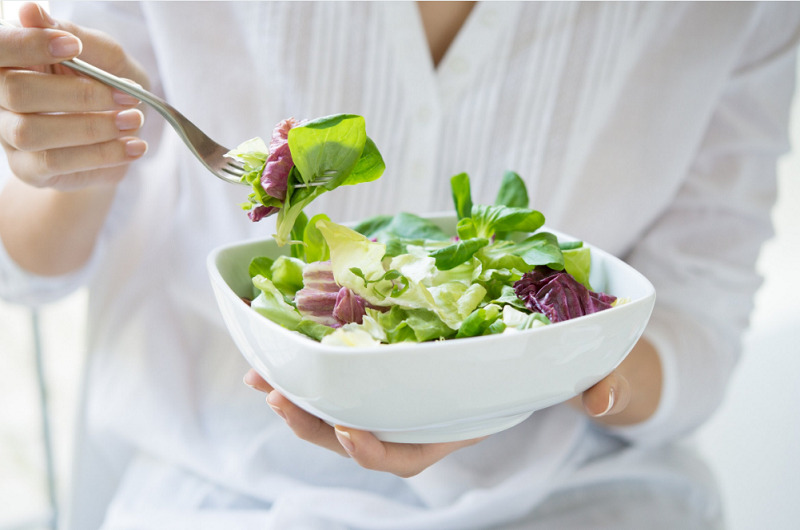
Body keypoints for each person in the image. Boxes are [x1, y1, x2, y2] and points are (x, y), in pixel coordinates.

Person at [0, 2, 798, 528]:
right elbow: (32, 270)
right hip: (227, 480)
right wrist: (79, 158)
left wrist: (563, 371)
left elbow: (701, 312)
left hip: (577, 492)